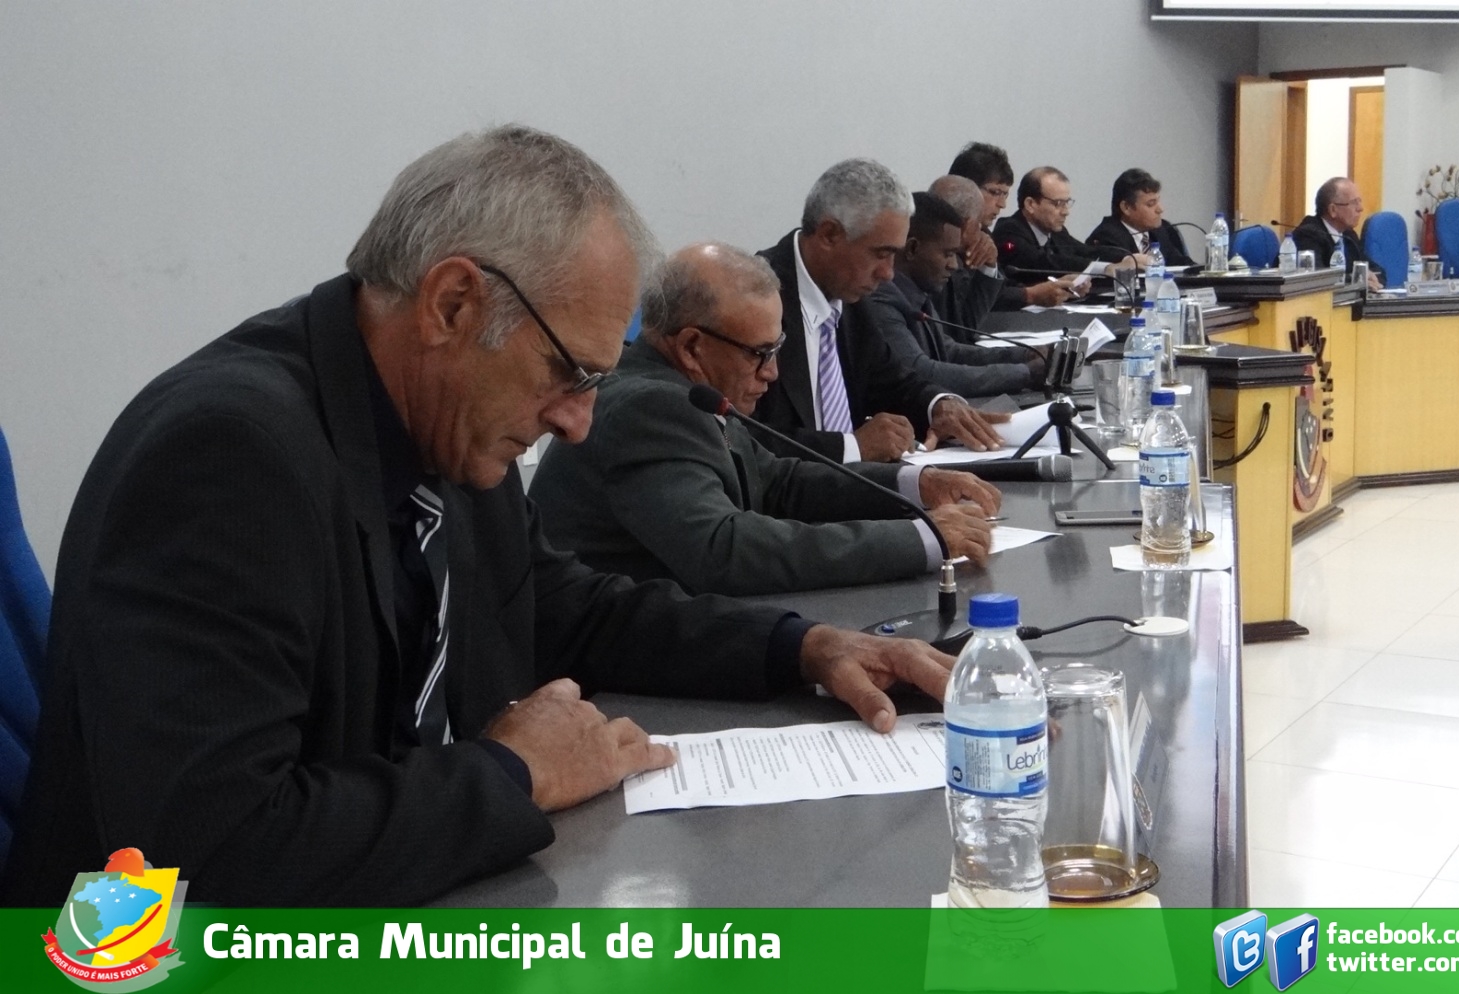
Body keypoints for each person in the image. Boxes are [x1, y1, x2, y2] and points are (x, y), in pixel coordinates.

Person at [0, 126, 954, 908]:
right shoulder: (228, 454)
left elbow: (569, 609)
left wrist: (802, 649)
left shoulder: (447, 423)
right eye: (569, 373)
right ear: (453, 304)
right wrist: (512, 774)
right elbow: (209, 844)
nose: (578, 424)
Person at [530, 243, 1000, 595]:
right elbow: (725, 550)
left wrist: (915, 484)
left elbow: (776, 481)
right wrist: (919, 539)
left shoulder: (685, 389)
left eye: (778, 349)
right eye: (760, 353)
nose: (773, 372)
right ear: (692, 347)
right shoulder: (649, 408)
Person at [753, 158, 1008, 465]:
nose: (888, 273)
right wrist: (851, 447)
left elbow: (890, 380)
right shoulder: (755, 299)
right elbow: (743, 438)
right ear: (829, 235)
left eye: (894, 255)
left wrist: (939, 405)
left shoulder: (848, 293)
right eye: (880, 254)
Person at [867, 193, 1043, 397]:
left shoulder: (916, 292)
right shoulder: (882, 299)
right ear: (913, 249)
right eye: (948, 254)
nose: (953, 265)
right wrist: (1025, 373)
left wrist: (1026, 354)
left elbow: (949, 350)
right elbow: (922, 373)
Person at [928, 174, 1069, 320]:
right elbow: (963, 325)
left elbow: (967, 323)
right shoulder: (1009, 230)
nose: (1002, 204)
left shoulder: (981, 241)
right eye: (995, 192)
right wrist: (1031, 294)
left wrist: (989, 267)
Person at [991, 166, 1147, 285]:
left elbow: (1084, 251)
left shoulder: (1056, 232)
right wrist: (1105, 269)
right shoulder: (1008, 231)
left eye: (1067, 203)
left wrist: (1127, 257)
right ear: (1031, 204)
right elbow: (1043, 262)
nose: (1065, 212)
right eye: (1058, 203)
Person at [1085, 168, 1197, 268]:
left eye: (1158, 201)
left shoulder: (1161, 230)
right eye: (1151, 204)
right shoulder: (1106, 237)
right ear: (1126, 207)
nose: (1160, 209)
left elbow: (1180, 263)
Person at [1291, 177, 1385, 288]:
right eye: (1354, 203)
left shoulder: (1349, 235)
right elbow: (1317, 279)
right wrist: (1357, 279)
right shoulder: (1308, 235)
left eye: (1359, 201)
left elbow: (1379, 272)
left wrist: (1372, 279)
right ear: (1333, 210)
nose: (1360, 208)